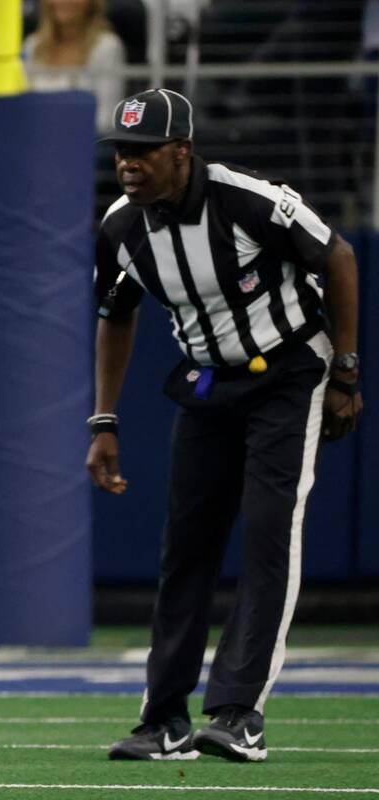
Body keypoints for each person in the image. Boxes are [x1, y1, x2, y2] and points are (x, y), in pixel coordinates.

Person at [88, 88, 363, 762]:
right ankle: (165, 719)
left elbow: (340, 258)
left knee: (269, 535)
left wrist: (348, 373)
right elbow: (115, 315)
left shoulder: (244, 199)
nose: (130, 164)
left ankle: (240, 710)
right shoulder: (122, 228)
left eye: (145, 151)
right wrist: (103, 418)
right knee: (186, 547)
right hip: (208, 381)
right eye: (123, 152)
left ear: (180, 151)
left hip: (290, 372)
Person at [24, 0, 125, 134]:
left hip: (87, 144)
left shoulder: (107, 46)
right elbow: (22, 107)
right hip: (35, 138)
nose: (65, 2)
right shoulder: (32, 46)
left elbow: (106, 118)